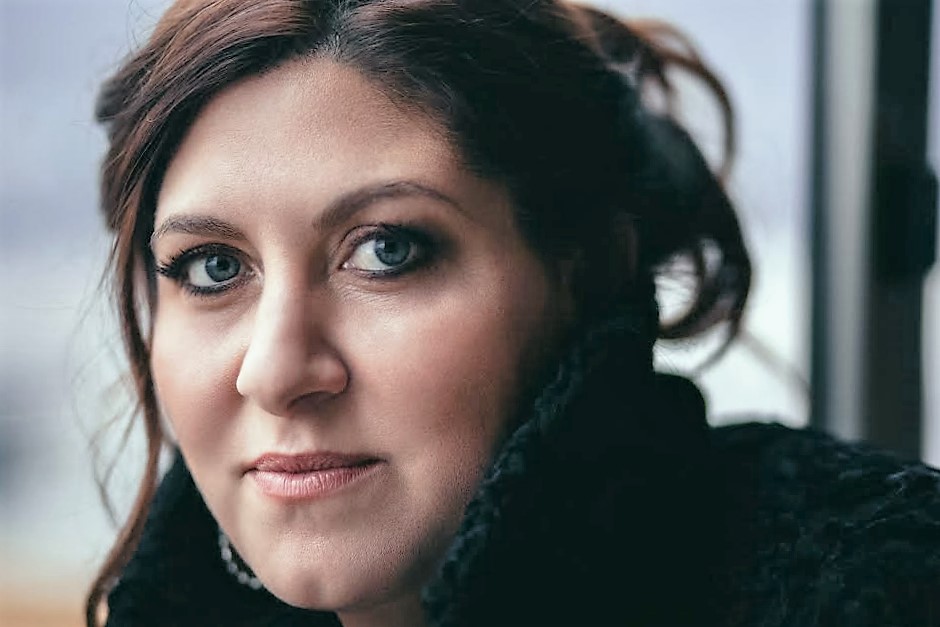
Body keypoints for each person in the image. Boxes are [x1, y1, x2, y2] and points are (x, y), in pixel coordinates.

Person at [85, 1, 940, 625]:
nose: (275, 370)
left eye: (387, 250)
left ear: (583, 266)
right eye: (213, 266)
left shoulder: (880, 581)